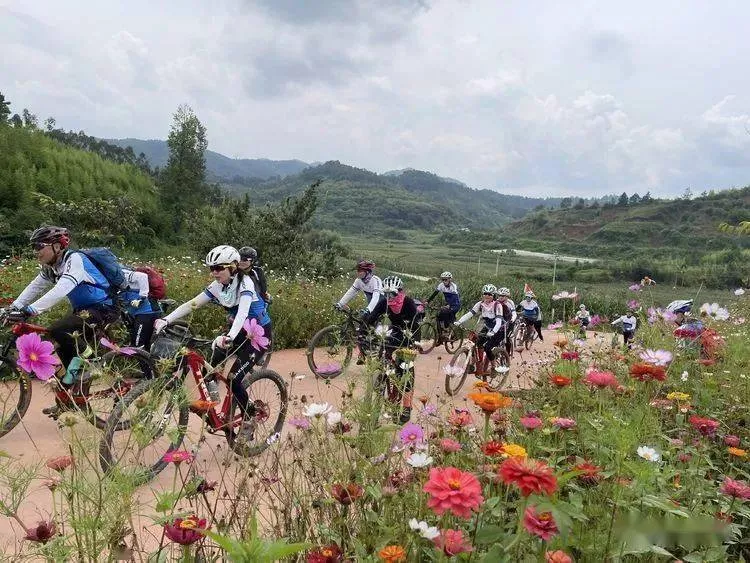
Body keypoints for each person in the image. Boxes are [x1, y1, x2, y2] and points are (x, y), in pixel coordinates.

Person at [154, 245, 271, 444]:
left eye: (218, 268)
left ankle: (249, 417)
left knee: (234, 379)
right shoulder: (218, 286)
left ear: (233, 267)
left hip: (257, 334)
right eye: (211, 268)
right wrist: (167, 319)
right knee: (211, 363)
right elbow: (192, 303)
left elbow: (243, 312)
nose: (214, 272)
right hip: (238, 330)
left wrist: (229, 336)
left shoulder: (246, 283)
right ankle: (213, 400)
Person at [10, 226, 120, 391]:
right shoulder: (51, 268)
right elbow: (34, 287)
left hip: (104, 308)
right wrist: (12, 308)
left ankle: (94, 362)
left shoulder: (75, 259)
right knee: (62, 343)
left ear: (56, 246)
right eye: (34, 247)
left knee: (59, 329)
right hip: (83, 311)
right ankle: (74, 389)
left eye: (39, 246)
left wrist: (31, 309)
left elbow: (62, 288)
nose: (35, 251)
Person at [381, 276, 420, 423]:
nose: (389, 297)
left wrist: (415, 342)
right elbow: (372, 316)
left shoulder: (408, 302)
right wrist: (363, 331)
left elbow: (415, 323)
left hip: (408, 333)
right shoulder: (384, 302)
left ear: (400, 291)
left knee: (406, 368)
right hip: (394, 331)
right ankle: (382, 386)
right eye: (386, 294)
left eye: (392, 294)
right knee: (383, 354)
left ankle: (407, 407)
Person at [335, 259, 386, 364]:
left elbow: (376, 297)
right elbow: (351, 292)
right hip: (371, 305)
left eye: (360, 271)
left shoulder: (375, 280)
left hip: (381, 305)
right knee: (362, 327)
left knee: (366, 324)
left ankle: (370, 349)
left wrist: (368, 309)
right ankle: (364, 351)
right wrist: (340, 303)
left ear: (367, 271)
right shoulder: (358, 281)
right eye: (357, 271)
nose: (358, 273)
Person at [454, 284, 507, 374]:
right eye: (485, 293)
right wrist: (459, 321)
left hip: (499, 330)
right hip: (487, 327)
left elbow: (498, 321)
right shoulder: (480, 304)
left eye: (490, 294)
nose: (487, 296)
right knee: (475, 342)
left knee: (487, 347)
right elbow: (470, 314)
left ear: (494, 295)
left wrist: (493, 331)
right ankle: (474, 363)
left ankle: (494, 367)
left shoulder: (497, 305)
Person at [120, 268, 161, 349]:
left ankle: (140, 355)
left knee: (137, 344)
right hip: (140, 312)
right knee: (145, 343)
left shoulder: (122, 274)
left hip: (147, 312)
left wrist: (142, 297)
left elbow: (143, 276)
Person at [495, 287, 516, 354]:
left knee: (507, 338)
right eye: (499, 295)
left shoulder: (510, 303)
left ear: (507, 296)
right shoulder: (496, 302)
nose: (500, 297)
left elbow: (514, 313)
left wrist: (512, 319)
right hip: (499, 322)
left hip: (509, 322)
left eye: (503, 296)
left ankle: (507, 354)